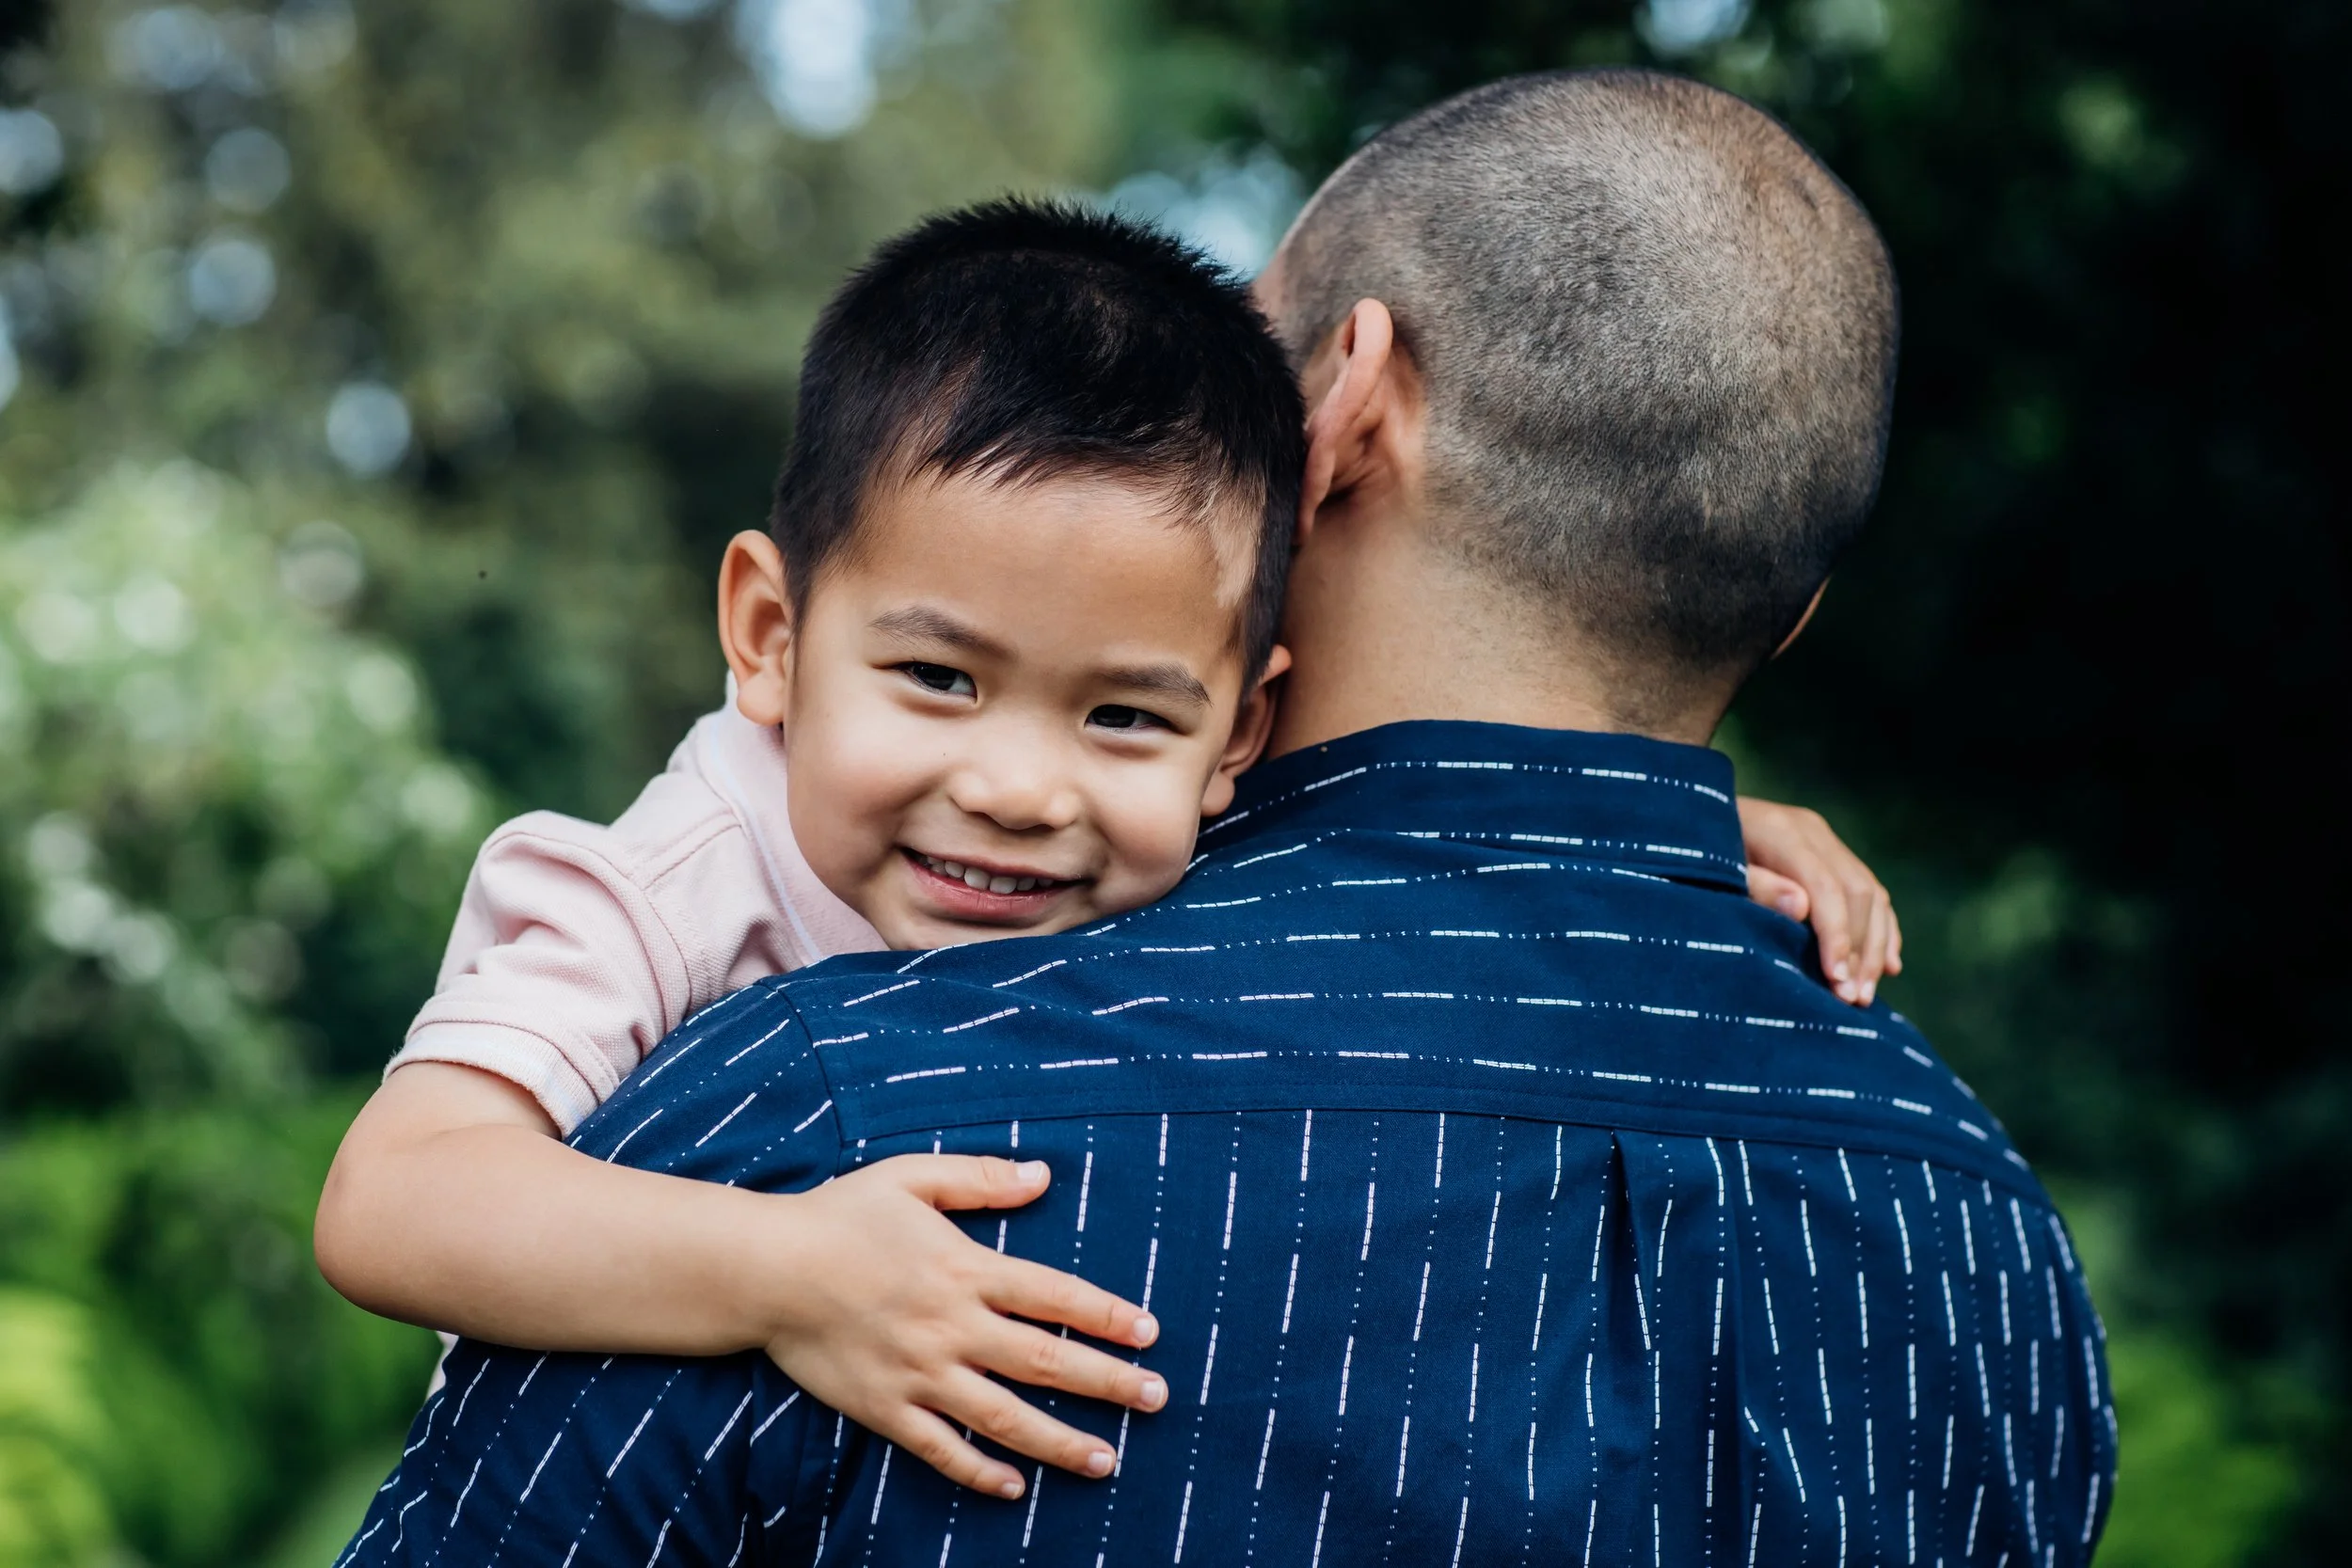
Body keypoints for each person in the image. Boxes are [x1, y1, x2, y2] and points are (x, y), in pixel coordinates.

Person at [340, 67, 2113, 1566]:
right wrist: (1657, 836)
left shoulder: (832, 1108)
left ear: (1341, 415)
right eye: (945, 678)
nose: (1024, 785)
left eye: (1119, 709)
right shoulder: (1997, 1250)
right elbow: (401, 1200)